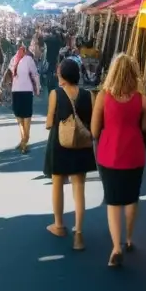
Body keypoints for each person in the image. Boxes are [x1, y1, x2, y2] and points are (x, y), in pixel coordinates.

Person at [91, 53, 146, 267]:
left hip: (109, 153)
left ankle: (116, 247)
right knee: (131, 197)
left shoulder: (103, 97)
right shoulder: (142, 100)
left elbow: (94, 130)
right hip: (134, 153)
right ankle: (129, 238)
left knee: (113, 200)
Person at [44, 57, 96, 251]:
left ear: (63, 75)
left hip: (60, 144)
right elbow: (92, 121)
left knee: (57, 183)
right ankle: (79, 234)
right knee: (79, 187)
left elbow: (49, 123)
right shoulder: (88, 95)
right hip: (82, 145)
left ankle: (58, 225)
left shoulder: (55, 94)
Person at [9, 41, 41, 153]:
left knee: (23, 118)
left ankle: (24, 141)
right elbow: (34, 74)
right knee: (23, 117)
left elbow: (34, 74)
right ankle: (24, 141)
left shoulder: (22, 59)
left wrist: (38, 87)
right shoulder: (19, 59)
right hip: (21, 91)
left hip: (21, 91)